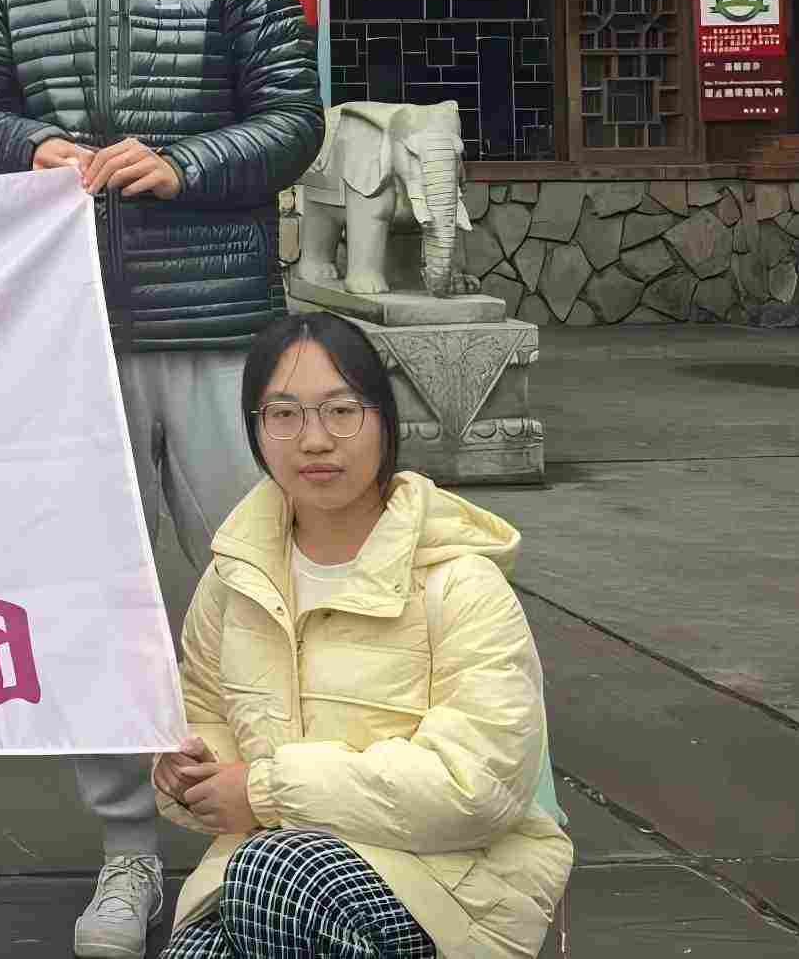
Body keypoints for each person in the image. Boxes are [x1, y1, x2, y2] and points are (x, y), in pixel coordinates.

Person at [0, 0, 323, 959]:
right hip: (70, 337)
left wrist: (185, 163)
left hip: (216, 325)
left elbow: (294, 117)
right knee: (96, 596)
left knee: (249, 586)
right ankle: (125, 852)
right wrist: (32, 146)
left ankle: (265, 834)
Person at [154, 310, 570, 959]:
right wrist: (189, 772)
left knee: (278, 877)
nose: (315, 440)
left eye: (342, 411)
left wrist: (265, 792)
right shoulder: (234, 579)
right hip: (263, 876)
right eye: (284, 414)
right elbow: (204, 714)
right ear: (256, 432)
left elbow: (477, 785)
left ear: (384, 421)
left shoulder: (461, 582)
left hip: (446, 885)